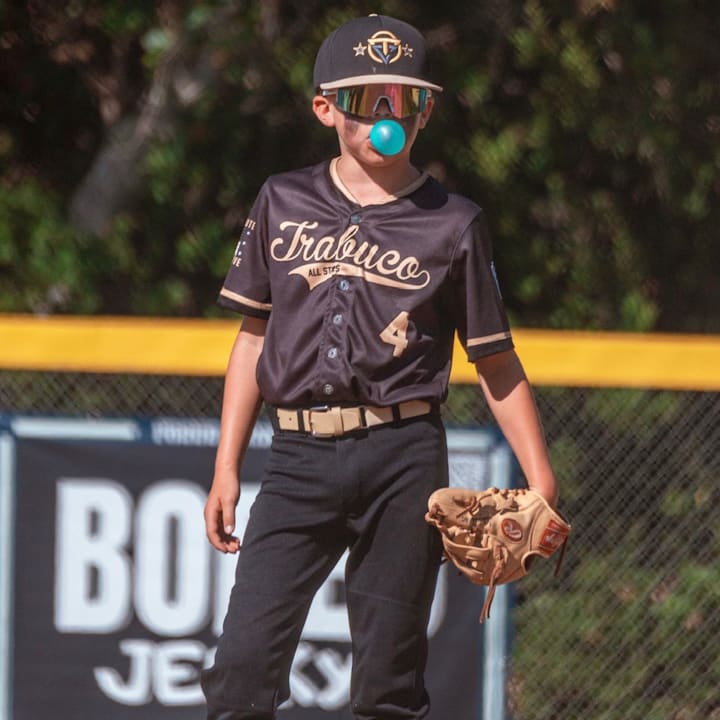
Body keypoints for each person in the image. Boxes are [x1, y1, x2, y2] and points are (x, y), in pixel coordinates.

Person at [201, 13, 559, 720]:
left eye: (408, 99)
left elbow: (494, 361)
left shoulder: (453, 222)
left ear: (425, 113)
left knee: (386, 685)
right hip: (299, 457)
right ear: (326, 106)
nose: (389, 117)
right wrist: (225, 465)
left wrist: (542, 478)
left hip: (404, 459)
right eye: (371, 99)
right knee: (242, 668)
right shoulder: (283, 199)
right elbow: (252, 337)